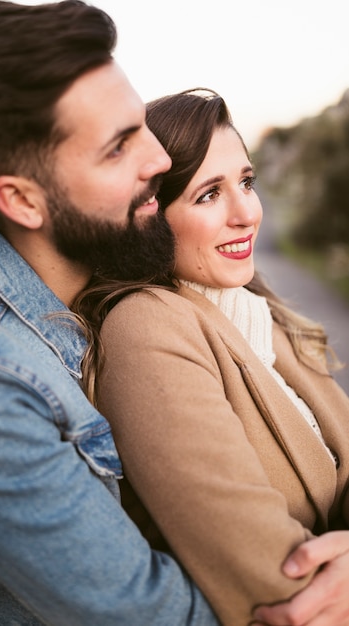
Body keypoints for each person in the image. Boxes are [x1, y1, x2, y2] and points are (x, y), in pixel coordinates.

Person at [0, 4, 224, 624]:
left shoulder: (114, 279)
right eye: (118, 149)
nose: (160, 160)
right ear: (22, 200)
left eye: (141, 126)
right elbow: (152, 616)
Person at [74, 89, 349, 626]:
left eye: (246, 182)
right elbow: (272, 574)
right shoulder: (144, 324)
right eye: (208, 195)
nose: (247, 213)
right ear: (149, 218)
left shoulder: (261, 312)